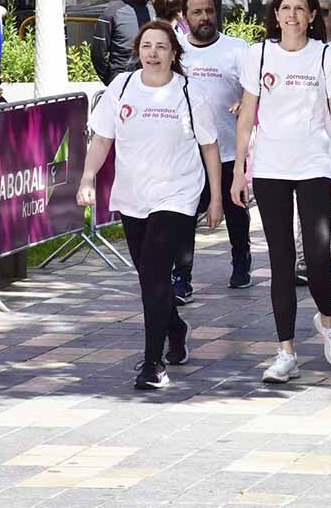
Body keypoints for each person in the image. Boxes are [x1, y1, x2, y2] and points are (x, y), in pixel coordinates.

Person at [78, 20, 223, 389]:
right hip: (133, 195)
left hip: (177, 193)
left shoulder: (189, 92)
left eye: (161, 47)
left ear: (174, 53)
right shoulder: (122, 87)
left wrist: (216, 198)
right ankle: (175, 327)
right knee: (149, 276)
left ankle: (153, 363)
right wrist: (87, 178)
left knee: (156, 272)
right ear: (137, 52)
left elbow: (209, 147)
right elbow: (102, 139)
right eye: (146, 46)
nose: (153, 53)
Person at [229, 0, 331, 383]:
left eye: (301, 8)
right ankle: (286, 352)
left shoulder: (325, 55)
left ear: (313, 15)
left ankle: (328, 321)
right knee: (280, 260)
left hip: (315, 164)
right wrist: (239, 170)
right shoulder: (259, 54)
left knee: (317, 254)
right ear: (276, 14)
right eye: (286, 8)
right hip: (270, 168)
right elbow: (247, 116)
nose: (293, 15)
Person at [170, 0, 253, 305]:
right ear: (184, 17)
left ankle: (241, 260)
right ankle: (182, 277)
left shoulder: (237, 49)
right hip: (189, 153)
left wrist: (244, 101)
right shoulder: (177, 51)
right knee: (185, 217)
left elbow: (255, 88)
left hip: (229, 149)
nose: (204, 17)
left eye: (209, 10)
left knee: (235, 211)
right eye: (197, 12)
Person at [93, 0, 156, 85]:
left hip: (152, 82)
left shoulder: (156, 11)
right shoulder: (110, 14)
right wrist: (112, 82)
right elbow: (98, 54)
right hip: (122, 82)